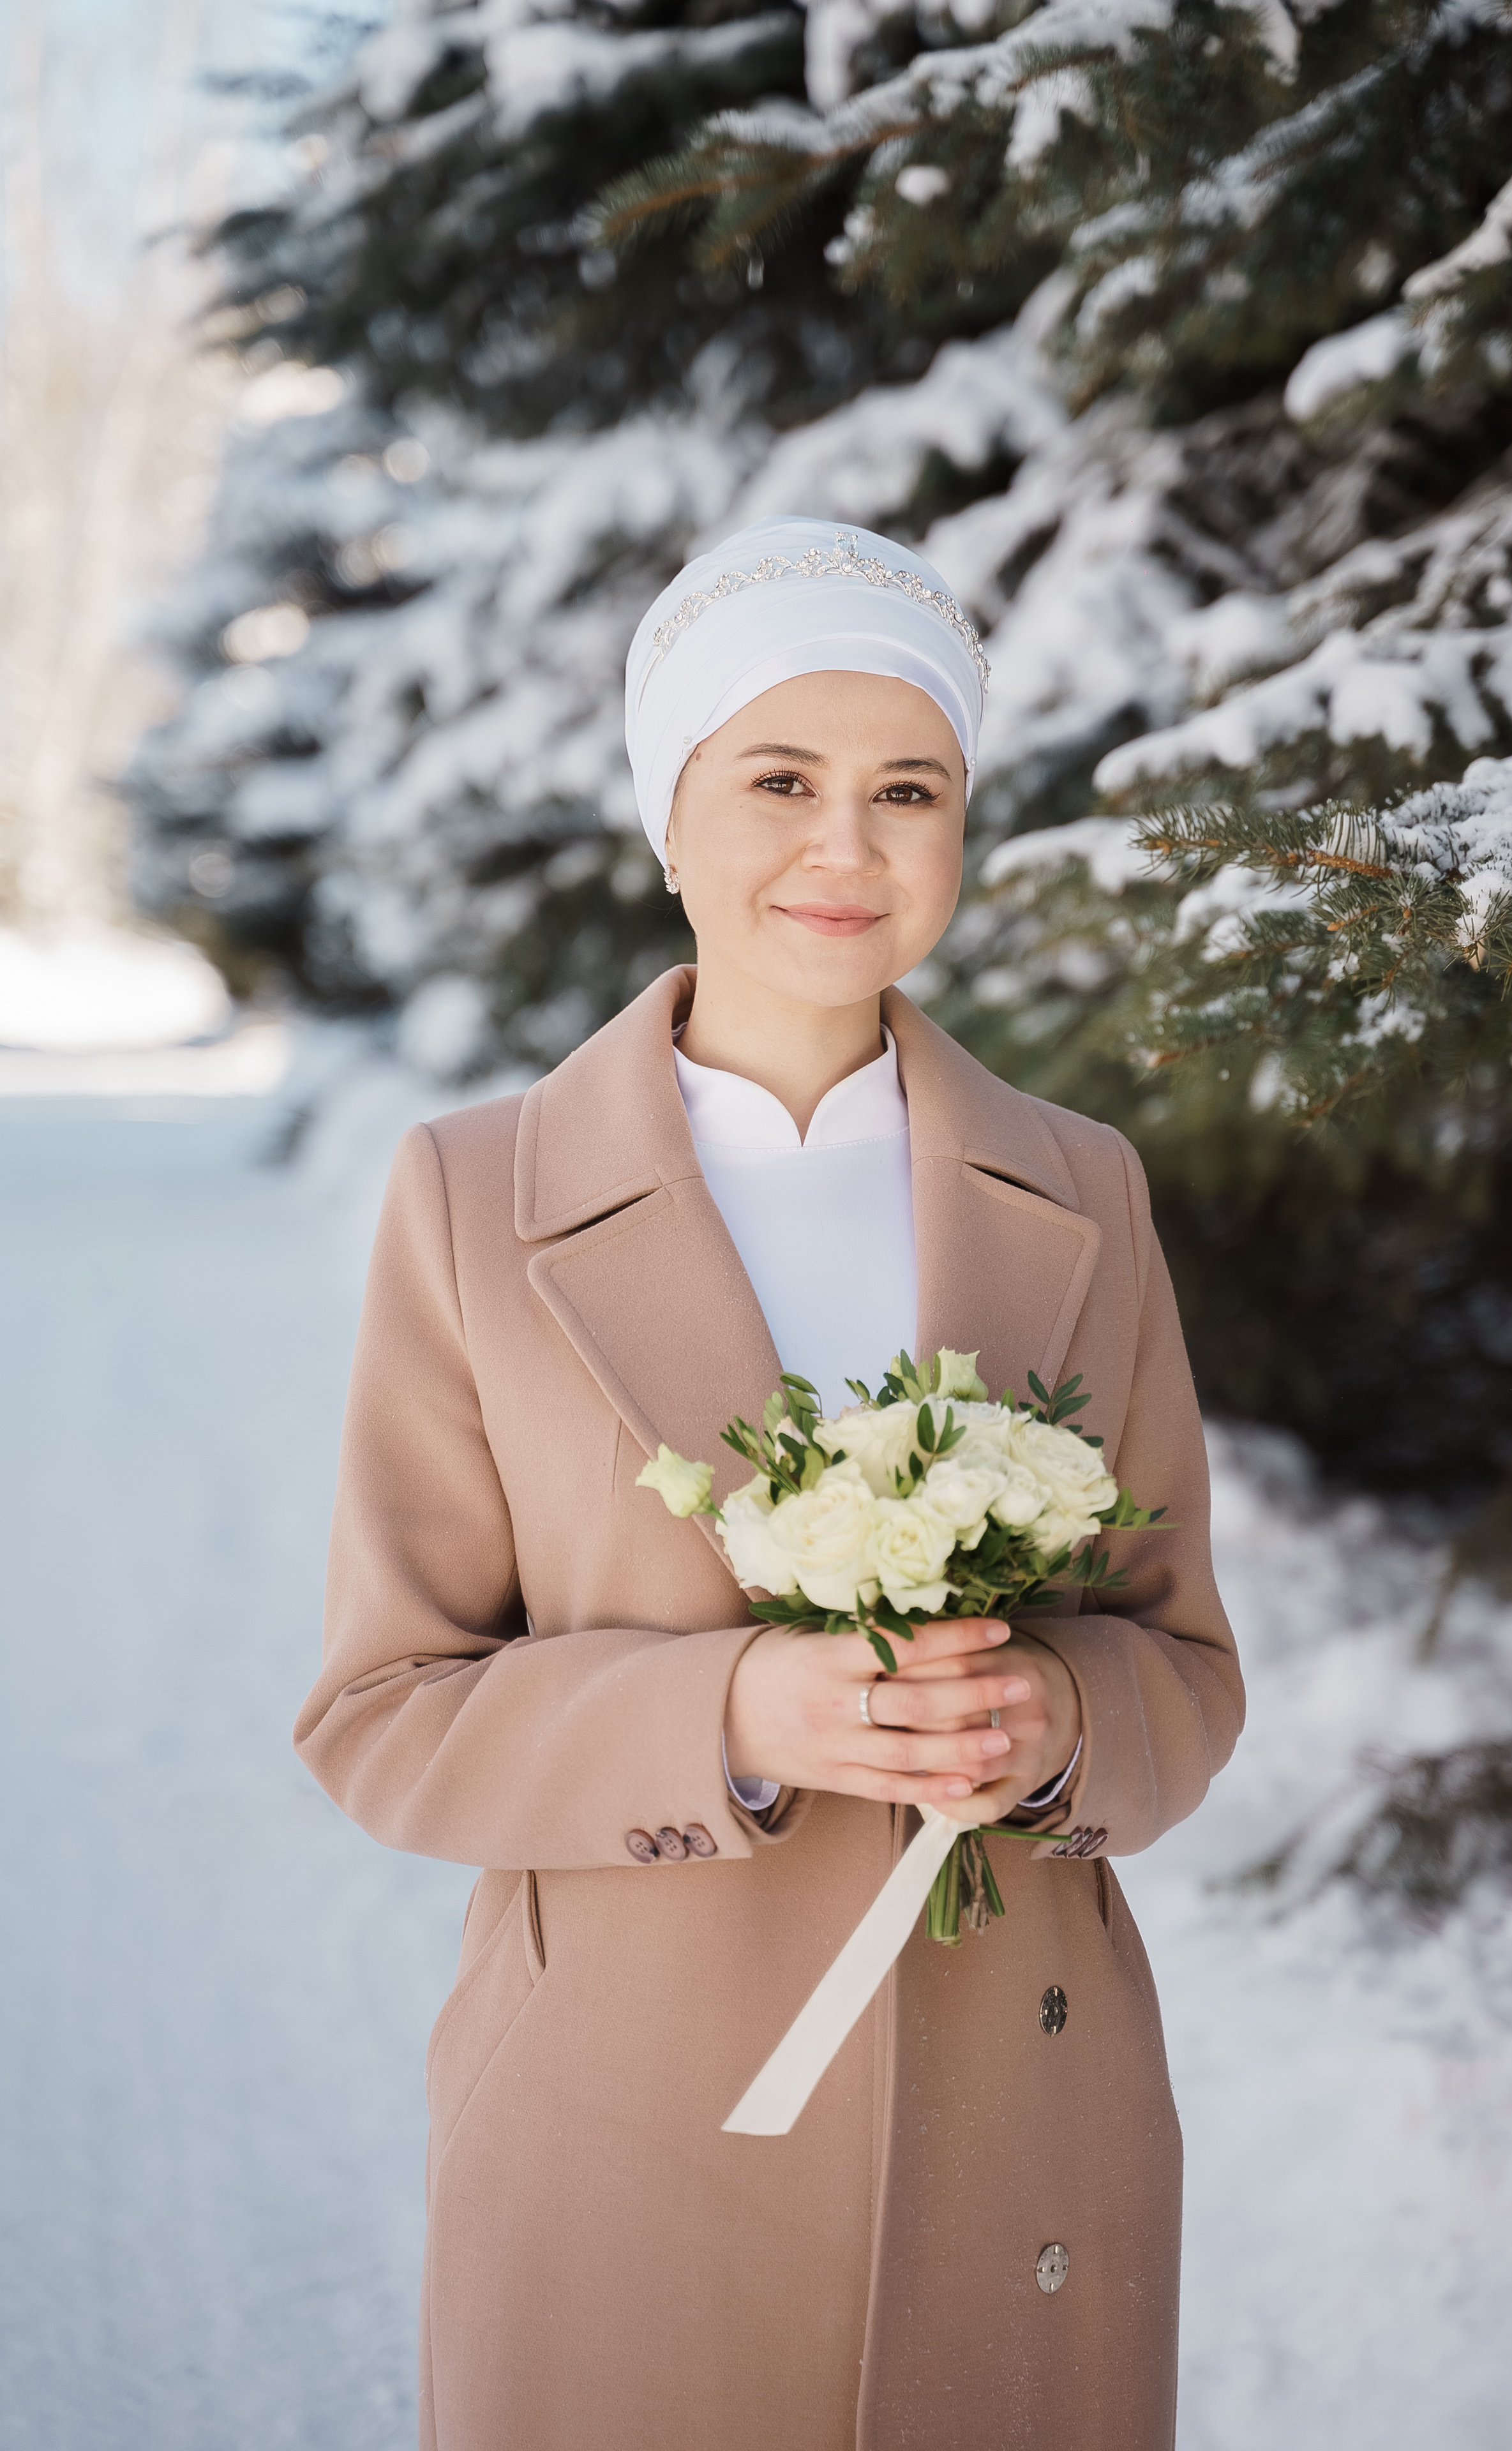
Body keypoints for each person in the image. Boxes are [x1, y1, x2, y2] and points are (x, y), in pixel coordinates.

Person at [296, 516, 1243, 2451]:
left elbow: (1187, 1676)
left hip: (1023, 2131)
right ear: (669, 811)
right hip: (634, 2121)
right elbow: (383, 1718)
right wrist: (727, 1707)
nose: (849, 846)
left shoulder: (1081, 1190)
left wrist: (1056, 1721)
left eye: (911, 788)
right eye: (781, 780)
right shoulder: (476, 1198)